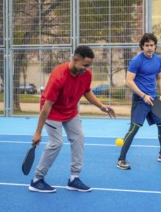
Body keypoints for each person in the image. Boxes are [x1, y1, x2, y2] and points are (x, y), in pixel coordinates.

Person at [29, 45, 116, 193]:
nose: (87, 69)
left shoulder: (86, 74)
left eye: (89, 65)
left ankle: (74, 179)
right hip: (52, 112)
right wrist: (37, 132)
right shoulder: (58, 76)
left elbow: (86, 91)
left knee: (79, 138)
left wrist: (101, 106)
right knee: (56, 143)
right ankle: (37, 179)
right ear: (75, 60)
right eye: (85, 65)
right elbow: (46, 106)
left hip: (71, 111)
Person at [117, 33, 161, 170]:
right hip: (140, 100)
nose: (149, 48)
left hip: (154, 100)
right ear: (142, 47)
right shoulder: (136, 61)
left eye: (151, 45)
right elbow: (129, 81)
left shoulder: (158, 60)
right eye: (146, 45)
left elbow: (160, 77)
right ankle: (121, 160)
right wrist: (143, 95)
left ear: (155, 46)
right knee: (133, 129)